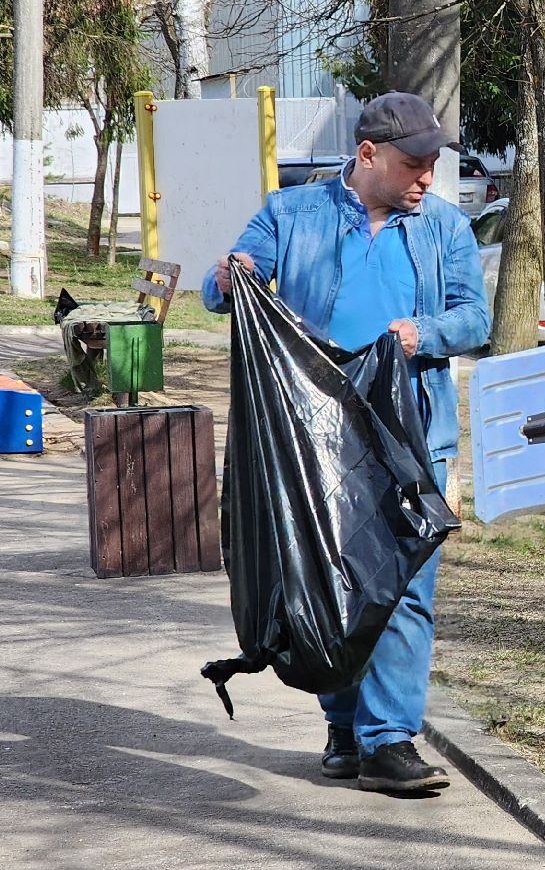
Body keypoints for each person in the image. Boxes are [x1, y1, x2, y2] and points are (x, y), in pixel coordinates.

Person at [202, 91, 490, 794]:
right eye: (414, 163)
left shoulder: (445, 228)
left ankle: (390, 740)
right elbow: (225, 291)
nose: (428, 176)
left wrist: (422, 333)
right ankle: (343, 725)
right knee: (333, 588)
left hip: (411, 436)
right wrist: (229, 272)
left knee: (404, 587)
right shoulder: (291, 213)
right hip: (317, 441)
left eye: (432, 163)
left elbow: (475, 317)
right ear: (368, 155)